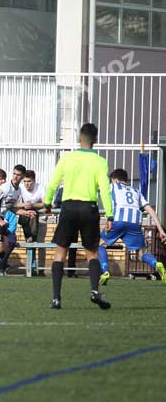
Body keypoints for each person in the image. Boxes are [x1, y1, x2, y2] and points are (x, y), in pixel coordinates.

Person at [44, 123, 113, 310]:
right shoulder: (100, 162)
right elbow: (105, 191)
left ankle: (56, 298)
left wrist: (47, 204)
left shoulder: (67, 159)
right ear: (95, 140)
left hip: (69, 207)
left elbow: (53, 183)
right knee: (92, 253)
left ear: (79, 138)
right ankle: (94, 291)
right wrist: (110, 215)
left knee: (61, 252)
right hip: (89, 208)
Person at [98, 169, 166, 285]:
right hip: (134, 223)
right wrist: (161, 230)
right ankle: (156, 263)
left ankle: (105, 271)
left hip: (118, 220)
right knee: (141, 253)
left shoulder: (112, 186)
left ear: (115, 180)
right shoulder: (136, 191)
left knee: (100, 245)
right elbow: (151, 210)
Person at [19, 170, 47, 275]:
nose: (27, 184)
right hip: (27, 217)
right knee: (29, 242)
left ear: (34, 181)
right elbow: (15, 203)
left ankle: (41, 269)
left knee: (40, 242)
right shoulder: (20, 188)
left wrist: (33, 205)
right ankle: (31, 268)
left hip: (41, 217)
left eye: (29, 181)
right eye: (25, 181)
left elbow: (45, 203)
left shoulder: (41, 187)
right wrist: (24, 206)